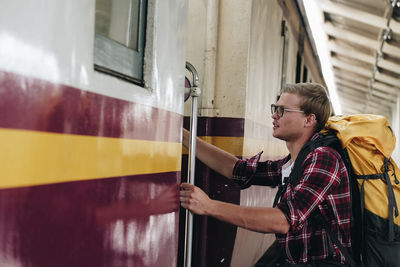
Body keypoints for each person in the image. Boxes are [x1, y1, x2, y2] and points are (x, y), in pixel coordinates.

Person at [180, 83, 351, 266]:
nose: (274, 115)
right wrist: (184, 137)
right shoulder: (295, 161)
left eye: (282, 110)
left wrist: (209, 206)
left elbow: (283, 220)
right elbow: (237, 170)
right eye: (275, 108)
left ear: (309, 120)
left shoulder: (324, 159)